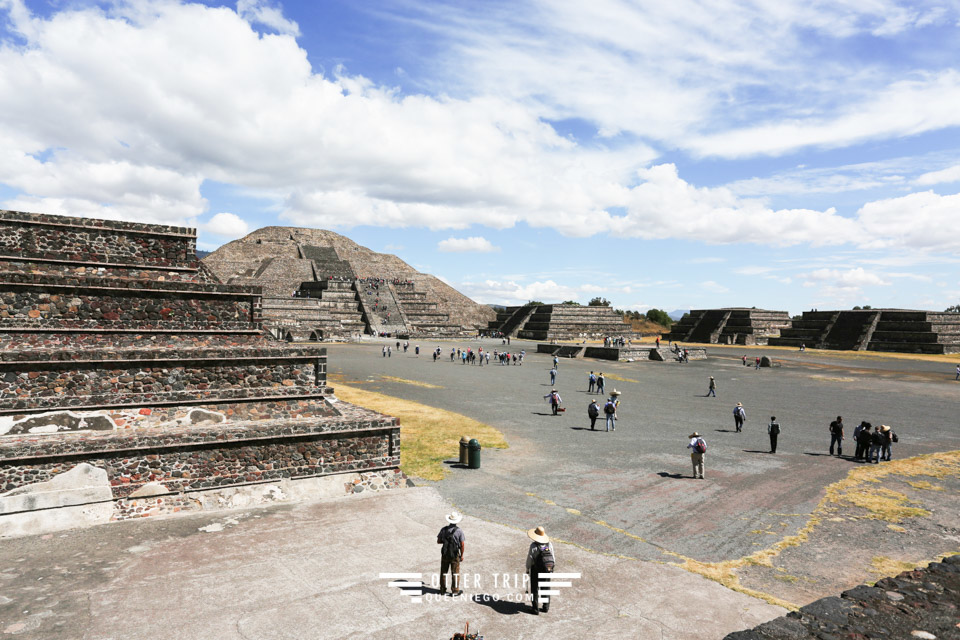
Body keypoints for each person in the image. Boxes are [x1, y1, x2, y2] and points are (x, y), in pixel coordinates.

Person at [526, 526, 556, 615]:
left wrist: (528, 569)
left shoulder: (534, 546)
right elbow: (553, 558)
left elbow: (530, 559)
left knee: (535, 589)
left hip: (536, 570)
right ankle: (545, 607)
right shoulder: (549, 544)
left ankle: (535, 609)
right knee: (546, 588)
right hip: (547, 569)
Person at [437, 511, 465, 596]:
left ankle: (442, 589)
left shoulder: (443, 529)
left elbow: (438, 541)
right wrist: (462, 555)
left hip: (445, 554)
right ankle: (455, 591)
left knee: (443, 572)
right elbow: (462, 544)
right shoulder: (459, 531)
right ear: (456, 521)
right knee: (455, 572)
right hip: (454, 554)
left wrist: (446, 542)